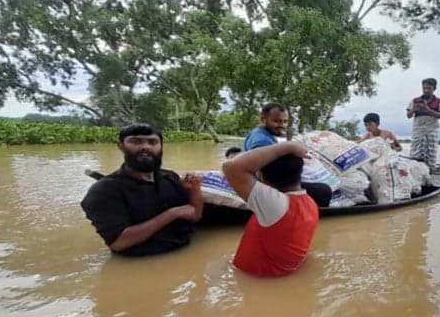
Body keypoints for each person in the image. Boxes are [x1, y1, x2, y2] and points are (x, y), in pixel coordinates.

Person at [81, 124, 204, 256]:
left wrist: (195, 190)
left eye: (152, 142)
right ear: (121, 146)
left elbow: (194, 215)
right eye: (135, 141)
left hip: (185, 254)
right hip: (138, 265)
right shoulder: (103, 191)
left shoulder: (170, 177)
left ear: (161, 146)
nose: (145, 147)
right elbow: (118, 243)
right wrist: (172, 213)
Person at [222, 142, 320, 277]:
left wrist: (288, 146)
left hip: (257, 279)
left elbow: (230, 167)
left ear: (262, 177)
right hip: (281, 274)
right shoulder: (309, 203)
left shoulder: (274, 204)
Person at [243, 102, 332, 207]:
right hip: (267, 185)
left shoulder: (261, 133)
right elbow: (260, 169)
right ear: (263, 120)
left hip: (268, 181)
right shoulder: (261, 140)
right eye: (276, 121)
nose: (282, 125)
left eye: (285, 121)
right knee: (324, 191)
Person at [406, 78, 440, 167]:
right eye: (424, 88)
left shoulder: (439, 101)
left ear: (434, 89)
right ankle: (414, 170)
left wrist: (429, 111)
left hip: (431, 131)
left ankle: (430, 170)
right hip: (418, 131)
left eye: (429, 88)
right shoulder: (415, 100)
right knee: (415, 153)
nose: (426, 90)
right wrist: (413, 109)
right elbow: (408, 115)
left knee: (430, 153)